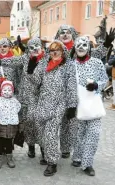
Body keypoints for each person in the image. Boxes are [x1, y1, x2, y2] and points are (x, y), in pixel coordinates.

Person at [31, 40, 77, 176]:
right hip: (43, 102)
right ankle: (46, 153)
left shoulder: (68, 66)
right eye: (52, 50)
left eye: (57, 49)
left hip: (59, 104)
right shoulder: (43, 64)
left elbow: (72, 86)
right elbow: (36, 82)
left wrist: (72, 106)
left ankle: (52, 163)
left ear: (63, 51)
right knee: (40, 130)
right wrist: (32, 69)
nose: (54, 52)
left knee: (50, 133)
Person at [72, 36, 108, 176]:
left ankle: (87, 163)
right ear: (74, 47)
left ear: (89, 47)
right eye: (78, 45)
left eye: (84, 45)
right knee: (79, 134)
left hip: (93, 105)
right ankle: (77, 157)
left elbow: (104, 79)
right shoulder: (70, 65)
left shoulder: (97, 63)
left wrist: (97, 85)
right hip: (77, 106)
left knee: (93, 134)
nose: (81, 47)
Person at [0, 80, 22, 169]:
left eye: (9, 90)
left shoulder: (15, 102)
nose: (7, 92)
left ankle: (10, 159)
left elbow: (19, 115)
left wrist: (20, 127)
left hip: (12, 128)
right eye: (5, 90)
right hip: (1, 128)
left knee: (9, 144)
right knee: (0, 144)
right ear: (1, 90)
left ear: (12, 91)